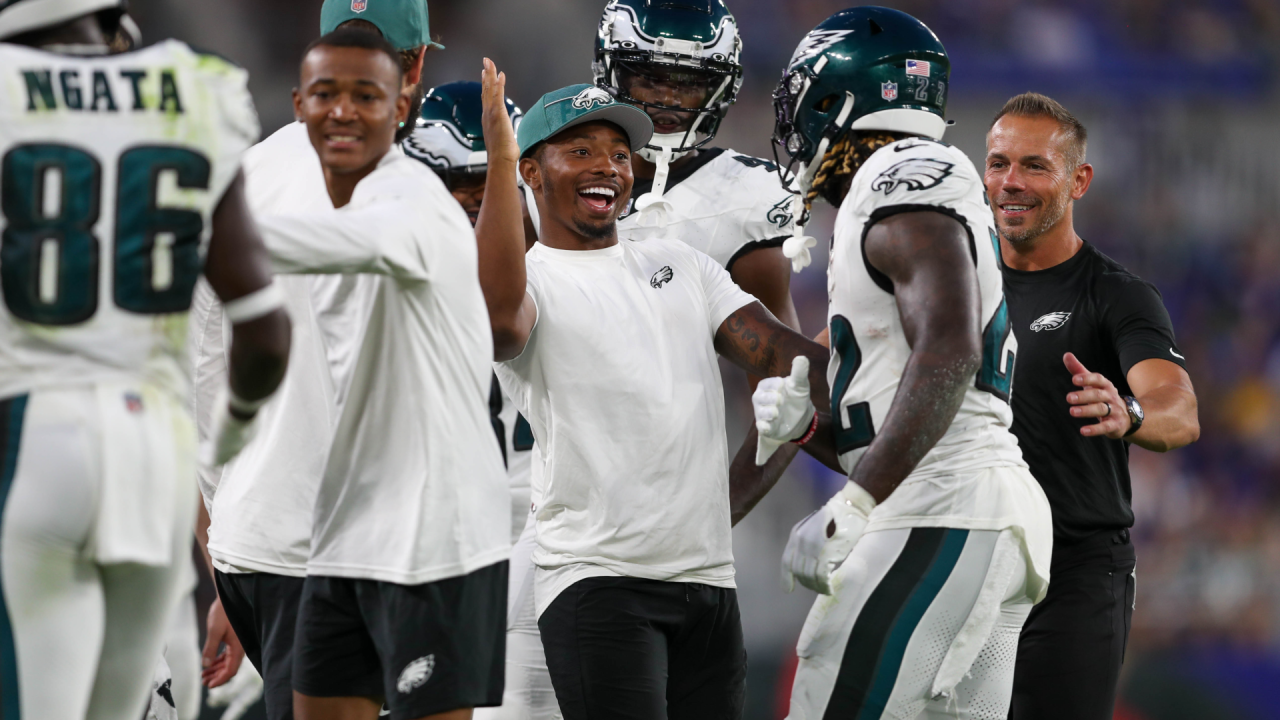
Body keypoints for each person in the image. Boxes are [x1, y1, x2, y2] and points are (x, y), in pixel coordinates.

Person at [480, 81, 829, 720]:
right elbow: (501, 323)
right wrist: (499, 165)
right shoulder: (531, 279)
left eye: (619, 154)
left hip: (706, 580)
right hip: (596, 578)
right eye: (580, 150)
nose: (607, 167)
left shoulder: (683, 265)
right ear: (530, 169)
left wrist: (879, 349)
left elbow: (781, 353)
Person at [747, 8, 1054, 719]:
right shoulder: (895, 191)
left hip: (942, 512)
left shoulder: (901, 175)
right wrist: (803, 428)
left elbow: (950, 347)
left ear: (837, 100)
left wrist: (853, 505)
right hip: (970, 512)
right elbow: (909, 396)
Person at [0, 0, 291, 717]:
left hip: (33, 432)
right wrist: (227, 441)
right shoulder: (194, 90)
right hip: (154, 449)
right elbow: (263, 330)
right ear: (114, 23)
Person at [189, 2, 445, 717]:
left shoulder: (244, 172)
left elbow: (198, 369)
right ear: (418, 62)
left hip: (263, 542)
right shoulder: (450, 179)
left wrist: (226, 531)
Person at [248, 31, 512, 720]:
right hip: (344, 524)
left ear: (400, 107)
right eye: (327, 95)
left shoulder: (414, 204)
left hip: (437, 536)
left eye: (366, 95)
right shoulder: (336, 200)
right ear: (298, 104)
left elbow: (359, 246)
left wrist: (199, 223)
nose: (343, 111)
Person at [983, 93, 1200, 720]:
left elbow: (1179, 409)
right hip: (966, 563)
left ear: (1079, 180)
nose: (1011, 183)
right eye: (998, 164)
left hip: (1073, 573)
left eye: (1034, 166)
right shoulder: (953, 280)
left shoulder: (1116, 294)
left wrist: (1129, 412)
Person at [403, 81, 560, 720]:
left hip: (545, 548)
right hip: (435, 552)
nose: (479, 210)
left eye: (489, 188)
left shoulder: (568, 267)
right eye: (459, 194)